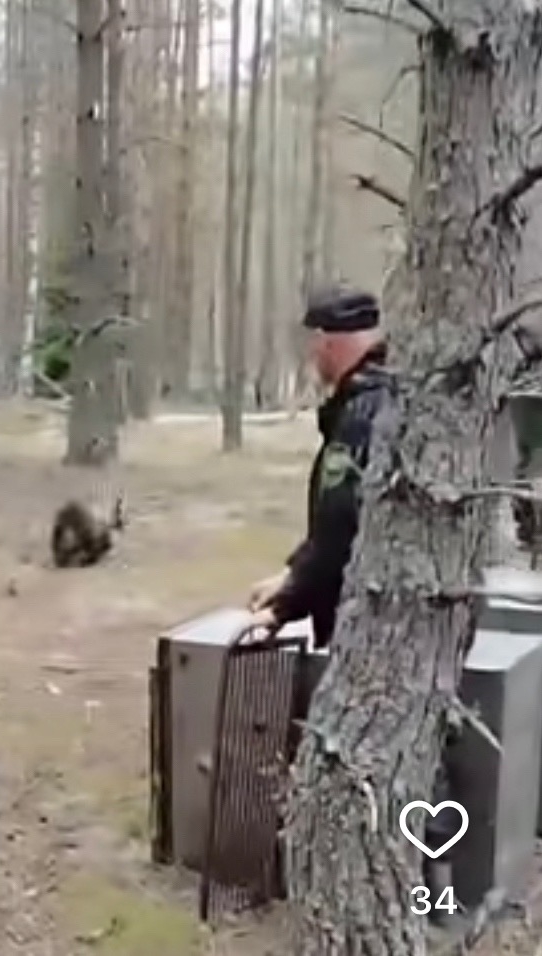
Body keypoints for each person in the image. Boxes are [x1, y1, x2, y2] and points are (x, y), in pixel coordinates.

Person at [242, 285, 463, 931]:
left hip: (374, 621)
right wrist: (288, 570)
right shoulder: (395, 394)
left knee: (387, 760)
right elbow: (337, 525)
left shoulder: (364, 413)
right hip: (419, 611)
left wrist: (284, 606)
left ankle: (411, 906)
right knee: (418, 754)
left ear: (332, 342)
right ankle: (429, 901)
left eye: (315, 340)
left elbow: (342, 528)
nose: (312, 352)